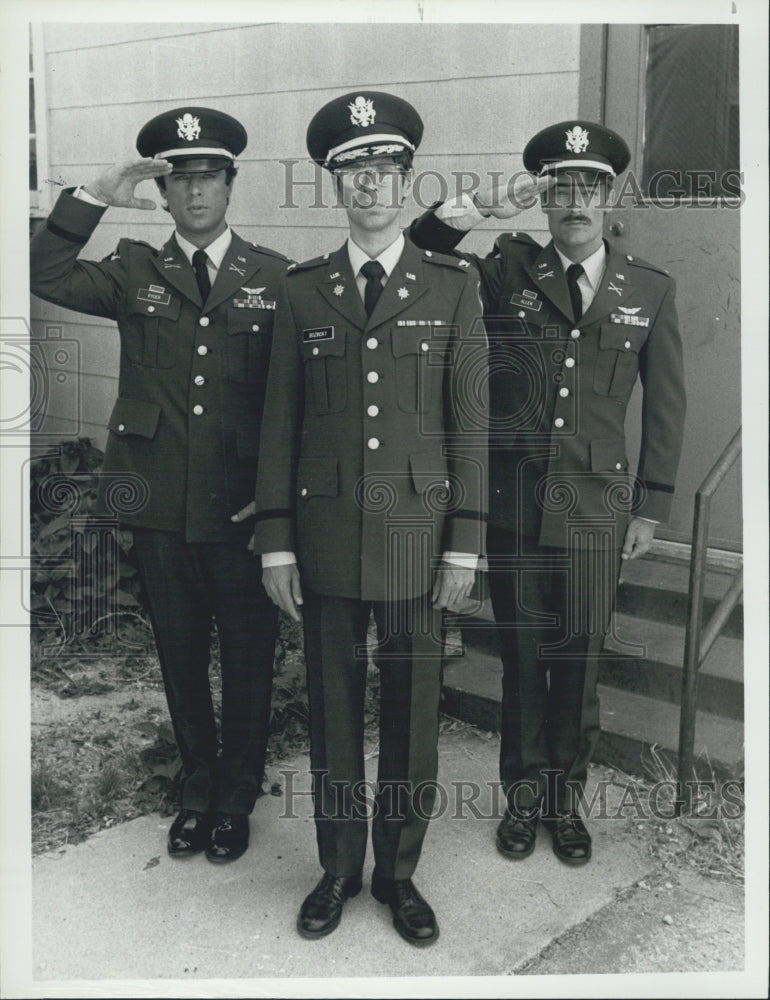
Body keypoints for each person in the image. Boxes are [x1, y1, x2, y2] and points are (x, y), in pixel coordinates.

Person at [409, 120, 686, 865]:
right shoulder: (504, 271)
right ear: (543, 199)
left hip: (599, 509)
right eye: (560, 187)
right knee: (525, 662)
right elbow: (421, 251)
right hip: (518, 504)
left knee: (580, 661)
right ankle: (523, 803)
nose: (575, 201)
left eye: (589, 186)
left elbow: (666, 406)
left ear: (610, 196)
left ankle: (567, 804)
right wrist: (476, 207)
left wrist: (652, 507)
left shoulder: (648, 289)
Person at [252, 91, 487, 945]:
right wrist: (275, 539)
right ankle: (337, 869)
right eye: (354, 173)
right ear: (337, 186)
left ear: (407, 179)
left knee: (414, 712)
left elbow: (471, 423)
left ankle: (398, 874)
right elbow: (282, 420)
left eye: (385, 171)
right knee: (333, 708)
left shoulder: (455, 285)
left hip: (422, 540)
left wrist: (468, 544)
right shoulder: (303, 291)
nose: (371, 188)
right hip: (322, 539)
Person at [30, 106, 291, 864]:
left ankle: (238, 793)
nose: (196, 192)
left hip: (241, 509)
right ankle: (197, 787)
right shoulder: (135, 271)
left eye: (209, 176)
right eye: (180, 179)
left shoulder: (274, 278)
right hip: (156, 500)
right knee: (179, 653)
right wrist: (94, 196)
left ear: (231, 187)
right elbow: (40, 271)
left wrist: (276, 499)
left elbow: (298, 401)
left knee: (248, 654)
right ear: (165, 193)